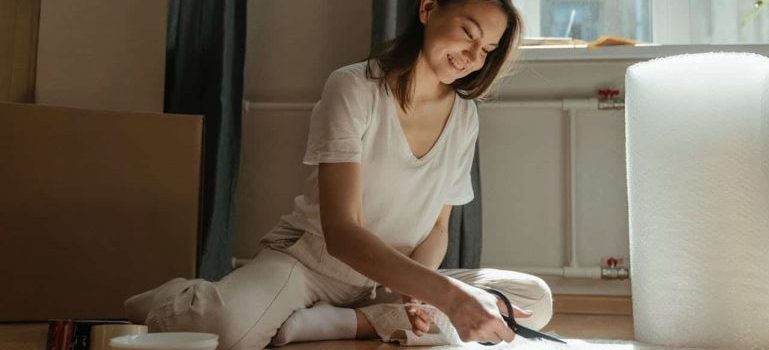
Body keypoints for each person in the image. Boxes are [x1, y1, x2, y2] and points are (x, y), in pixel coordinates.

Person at [124, 0, 552, 348]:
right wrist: (448, 297)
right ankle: (177, 298)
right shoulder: (354, 87)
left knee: (532, 299)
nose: (473, 56)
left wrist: (417, 292)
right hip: (312, 265)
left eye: (488, 50)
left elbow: (438, 226)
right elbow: (342, 231)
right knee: (230, 332)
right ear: (428, 9)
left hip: (394, 278)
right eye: (469, 33)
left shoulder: (465, 116)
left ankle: (346, 323)